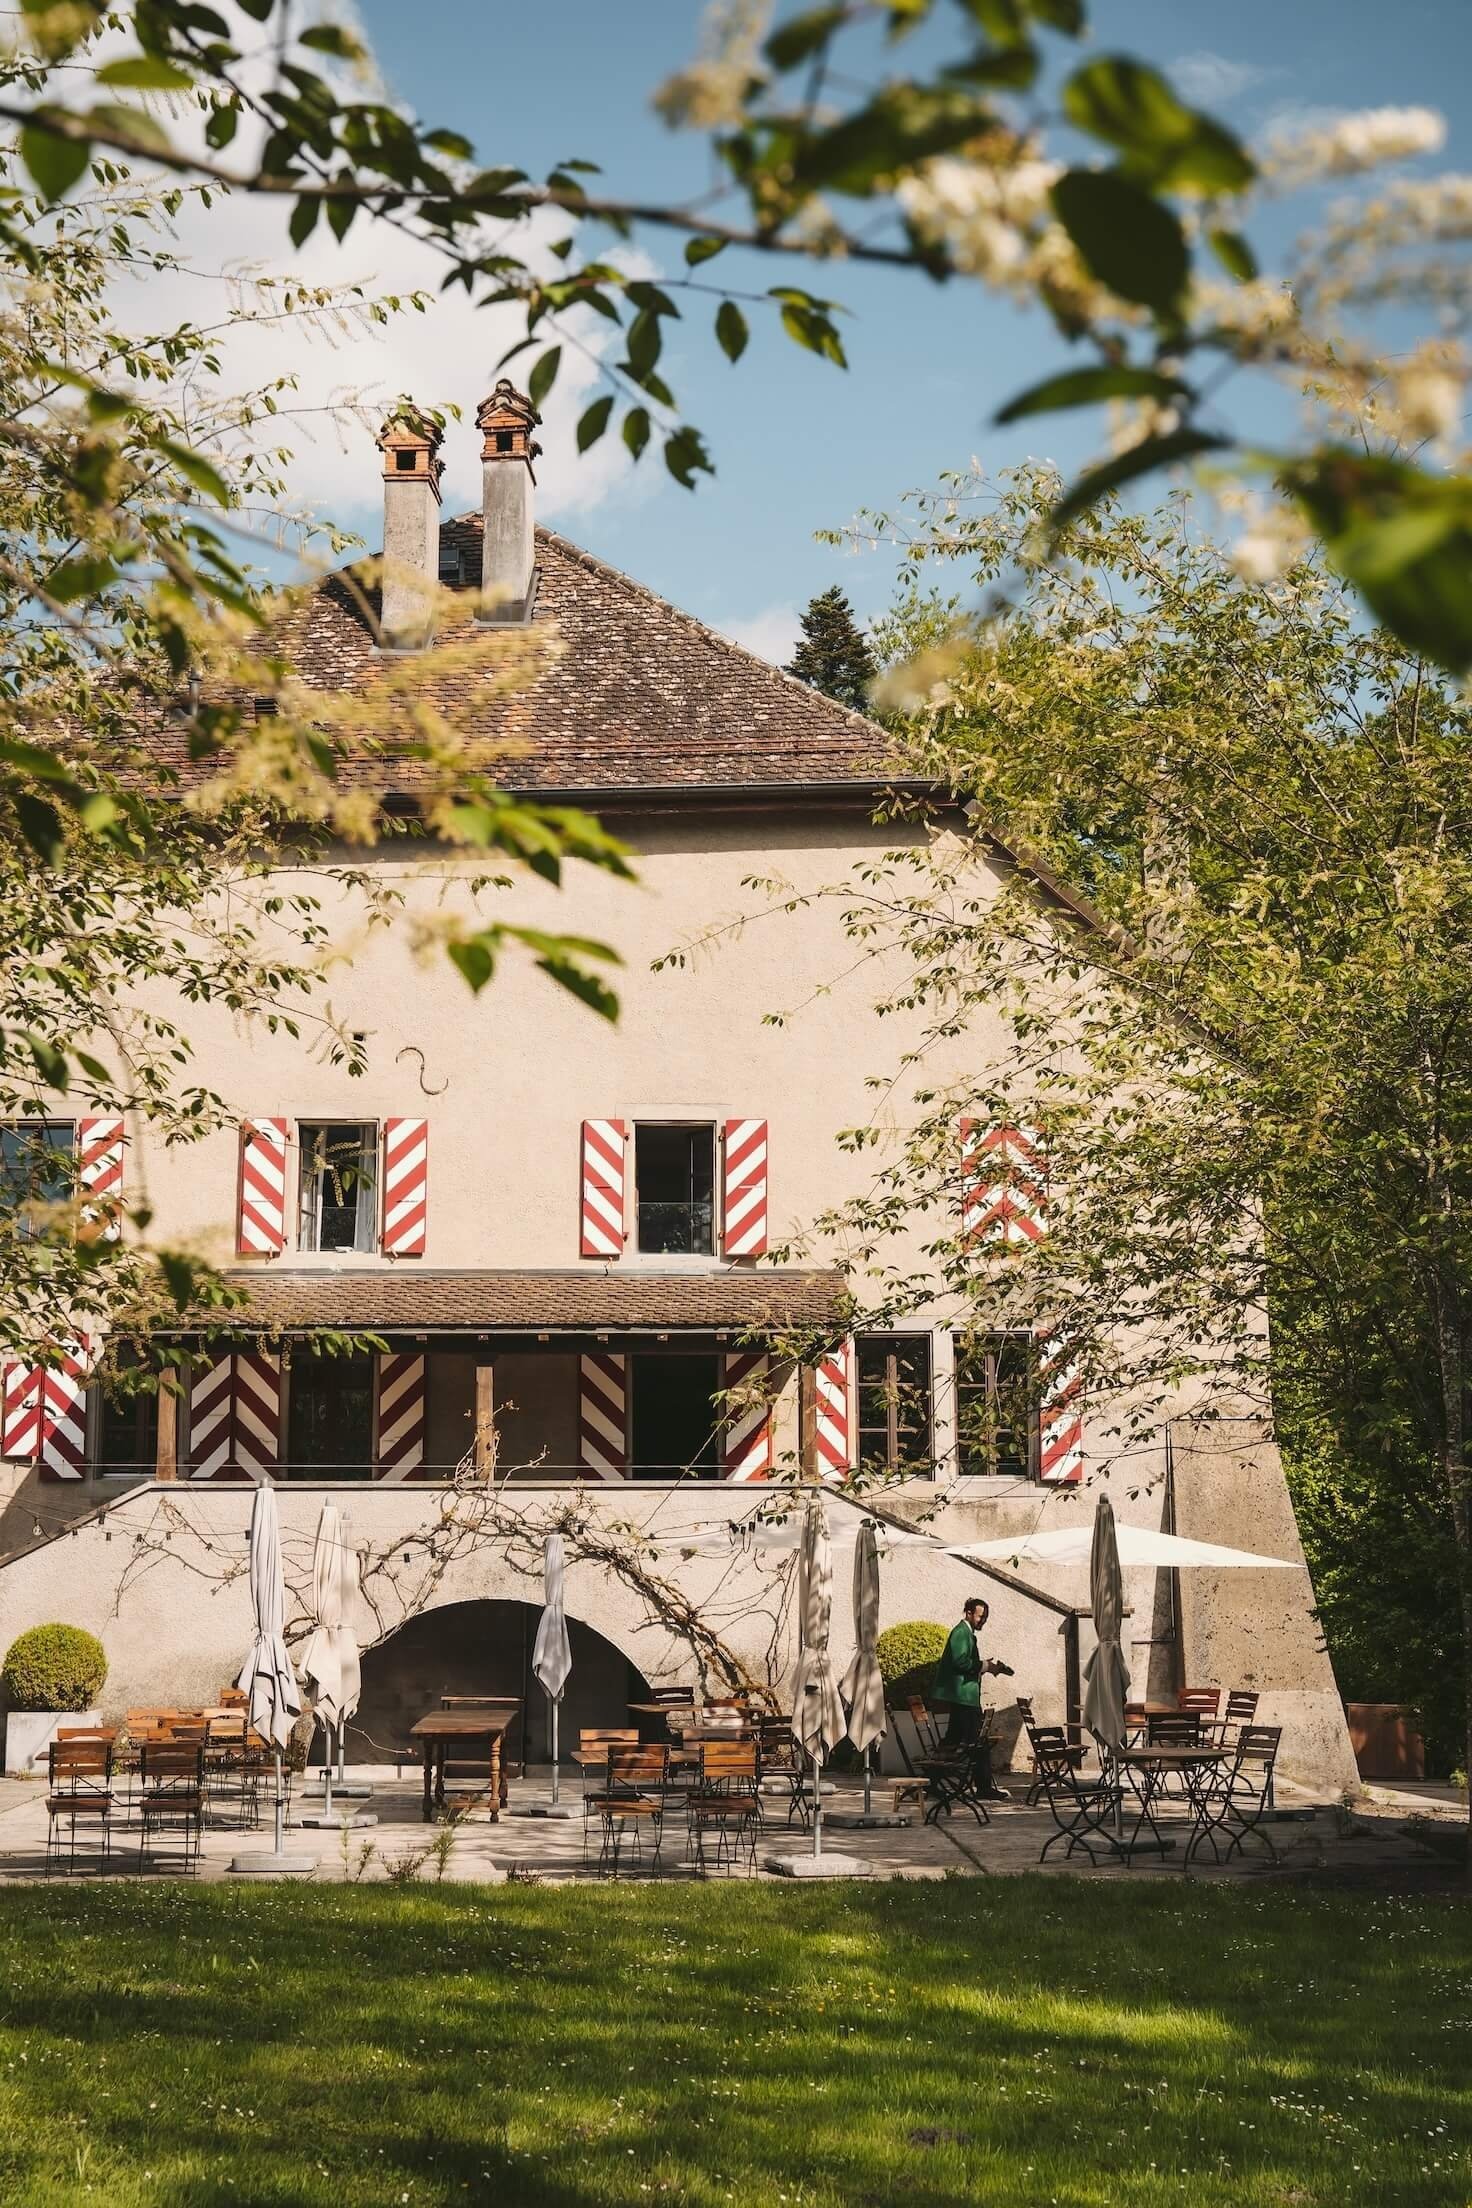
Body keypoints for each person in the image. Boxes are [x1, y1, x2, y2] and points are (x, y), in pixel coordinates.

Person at [931, 1595, 1011, 1799]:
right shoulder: (961, 1632)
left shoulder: (965, 1633)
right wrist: (985, 1666)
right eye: (980, 1616)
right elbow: (960, 1662)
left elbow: (963, 1663)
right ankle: (983, 1788)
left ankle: (931, 1782)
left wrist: (986, 1667)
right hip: (964, 1697)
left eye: (985, 1617)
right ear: (968, 1613)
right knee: (978, 1742)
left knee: (952, 1740)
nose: (983, 1620)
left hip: (962, 1696)